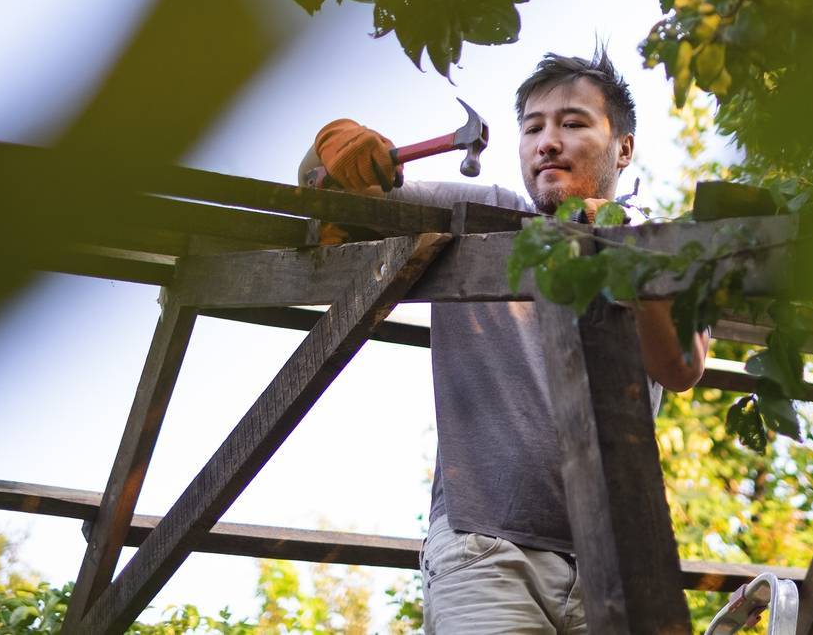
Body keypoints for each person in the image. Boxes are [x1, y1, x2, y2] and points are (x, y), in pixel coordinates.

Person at [299, 51, 709, 634]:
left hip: (616, 561)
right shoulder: (479, 212)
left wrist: (622, 250)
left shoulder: (662, 246)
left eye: (572, 123)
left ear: (623, 147)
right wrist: (332, 146)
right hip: (485, 550)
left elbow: (682, 365)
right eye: (533, 127)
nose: (547, 141)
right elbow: (322, 201)